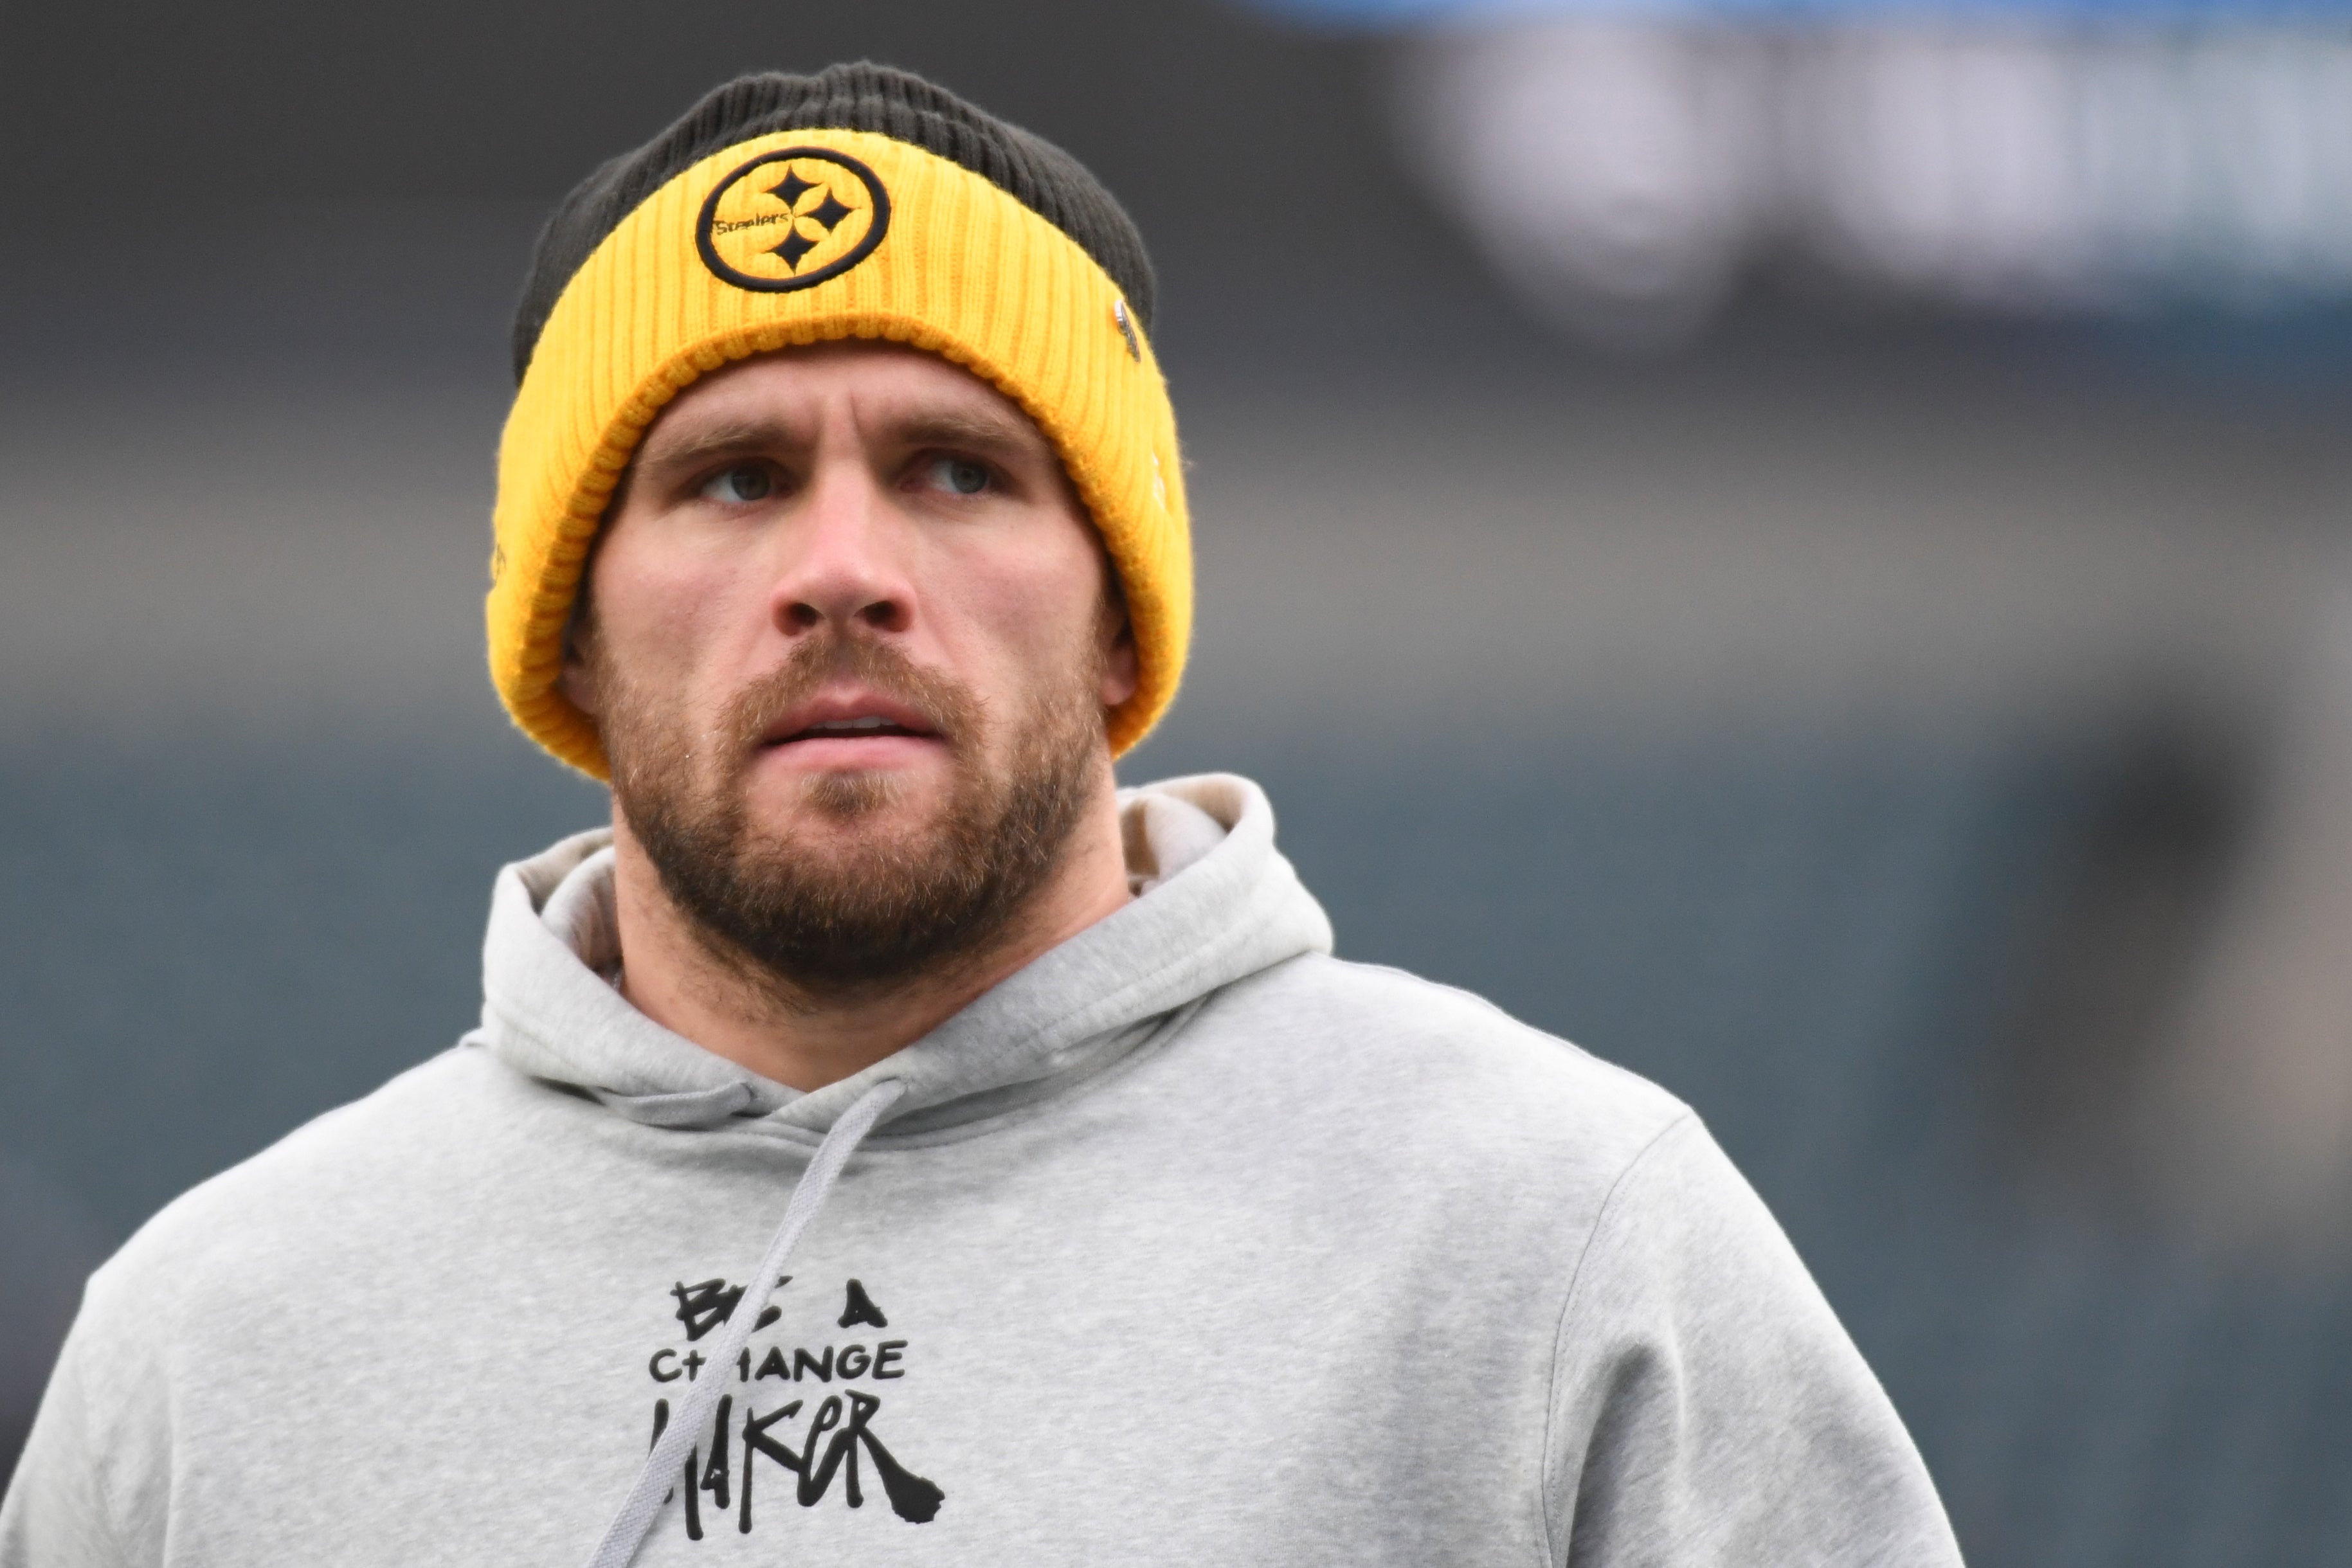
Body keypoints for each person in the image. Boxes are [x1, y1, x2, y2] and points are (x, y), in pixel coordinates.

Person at [0, 64, 1963, 1567]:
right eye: (732, 479)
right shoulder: (215, 1346)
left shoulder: (1553, 1245)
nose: (843, 568)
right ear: (565, 636)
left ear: (1121, 616)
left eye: (954, 470)